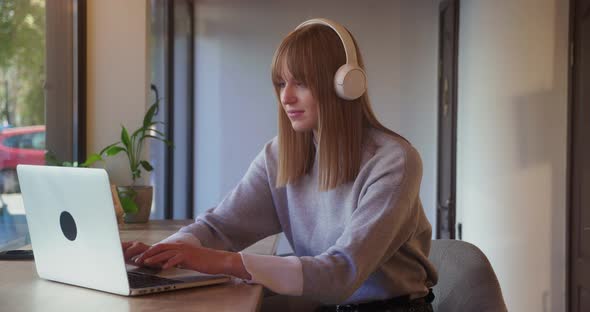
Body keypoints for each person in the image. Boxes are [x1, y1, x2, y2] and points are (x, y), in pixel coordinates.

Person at [123, 18, 438, 312]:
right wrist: (159, 254)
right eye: (280, 83)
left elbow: (342, 274)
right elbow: (220, 226)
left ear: (344, 84)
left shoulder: (394, 161)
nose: (285, 97)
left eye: (300, 83)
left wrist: (222, 261)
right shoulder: (278, 155)